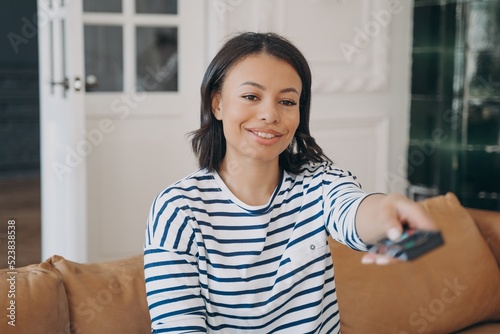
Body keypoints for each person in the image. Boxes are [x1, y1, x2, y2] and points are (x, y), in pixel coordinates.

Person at [143, 32, 435, 333]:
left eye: (286, 101)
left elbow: (352, 210)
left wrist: (387, 210)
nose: (270, 114)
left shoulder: (319, 182)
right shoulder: (178, 209)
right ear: (217, 104)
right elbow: (178, 327)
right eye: (251, 97)